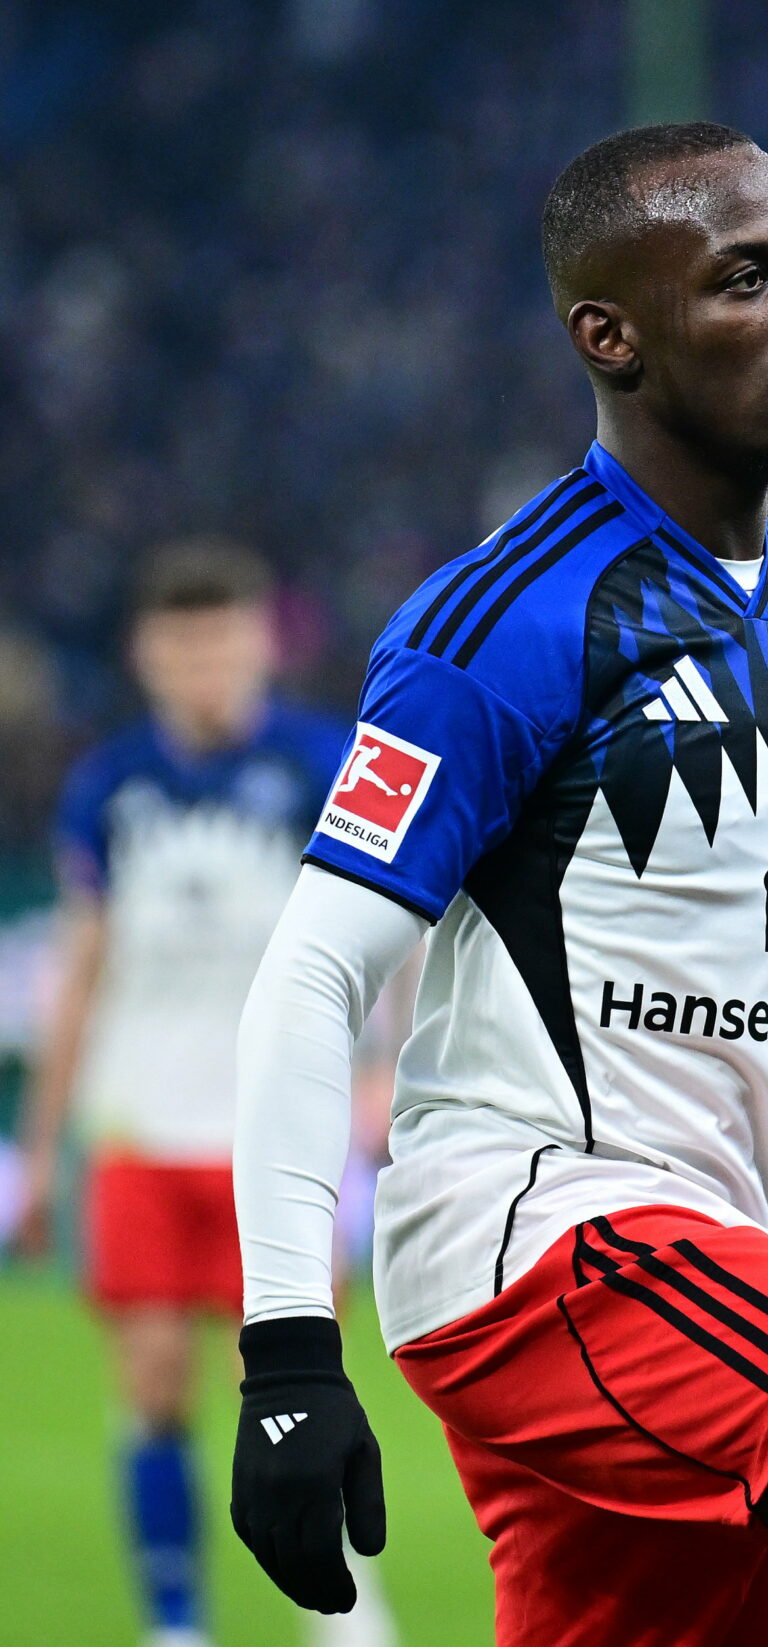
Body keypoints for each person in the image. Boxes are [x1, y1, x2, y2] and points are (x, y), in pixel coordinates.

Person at [227, 123, 768, 1647]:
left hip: (712, 1270)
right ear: (609, 336)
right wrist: (288, 1352)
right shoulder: (505, 620)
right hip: (550, 1239)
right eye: (744, 280)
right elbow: (311, 972)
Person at [15, 541, 398, 1647]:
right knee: (151, 1385)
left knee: (280, 1375)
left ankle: (338, 1610)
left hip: (272, 1136)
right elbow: (81, 974)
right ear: (146, 654)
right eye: (182, 644)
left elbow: (391, 939)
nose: (204, 664)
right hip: (137, 1128)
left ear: (261, 643)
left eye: (224, 639)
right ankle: (175, 1623)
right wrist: (43, 1150)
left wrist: (385, 1070)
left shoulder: (328, 768)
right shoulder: (110, 789)